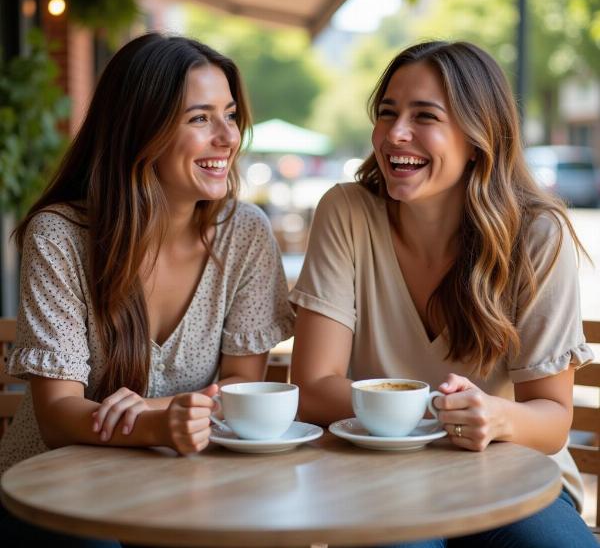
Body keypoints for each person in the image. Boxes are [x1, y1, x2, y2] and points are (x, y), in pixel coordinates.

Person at [289, 40, 597, 547]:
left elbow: (550, 421)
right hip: (380, 479)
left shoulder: (538, 235)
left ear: (478, 137)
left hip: (508, 480)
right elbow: (315, 388)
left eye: (424, 116)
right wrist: (440, 409)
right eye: (387, 113)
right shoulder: (345, 212)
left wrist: (496, 417)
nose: (395, 134)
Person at [0, 33, 294, 547]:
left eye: (229, 115)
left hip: (186, 489)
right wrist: (161, 425)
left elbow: (240, 395)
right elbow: (58, 415)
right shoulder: (61, 235)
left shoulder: (244, 234)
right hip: (54, 493)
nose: (228, 137)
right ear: (141, 131)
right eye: (200, 118)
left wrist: (152, 413)